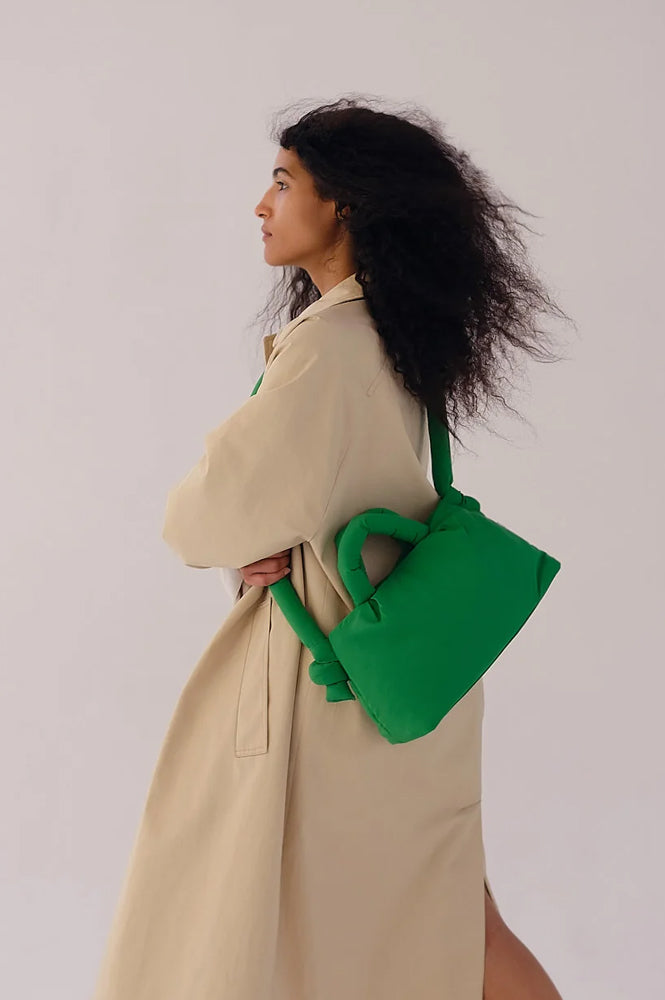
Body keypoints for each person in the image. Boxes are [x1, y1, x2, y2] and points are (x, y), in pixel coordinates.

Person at [92, 96, 570, 1000]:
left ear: (343, 203)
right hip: (407, 671)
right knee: (449, 918)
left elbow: (201, 516)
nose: (261, 204)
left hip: (332, 688)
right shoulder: (394, 335)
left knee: (332, 928)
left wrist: (236, 537)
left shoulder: (329, 347)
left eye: (283, 182)